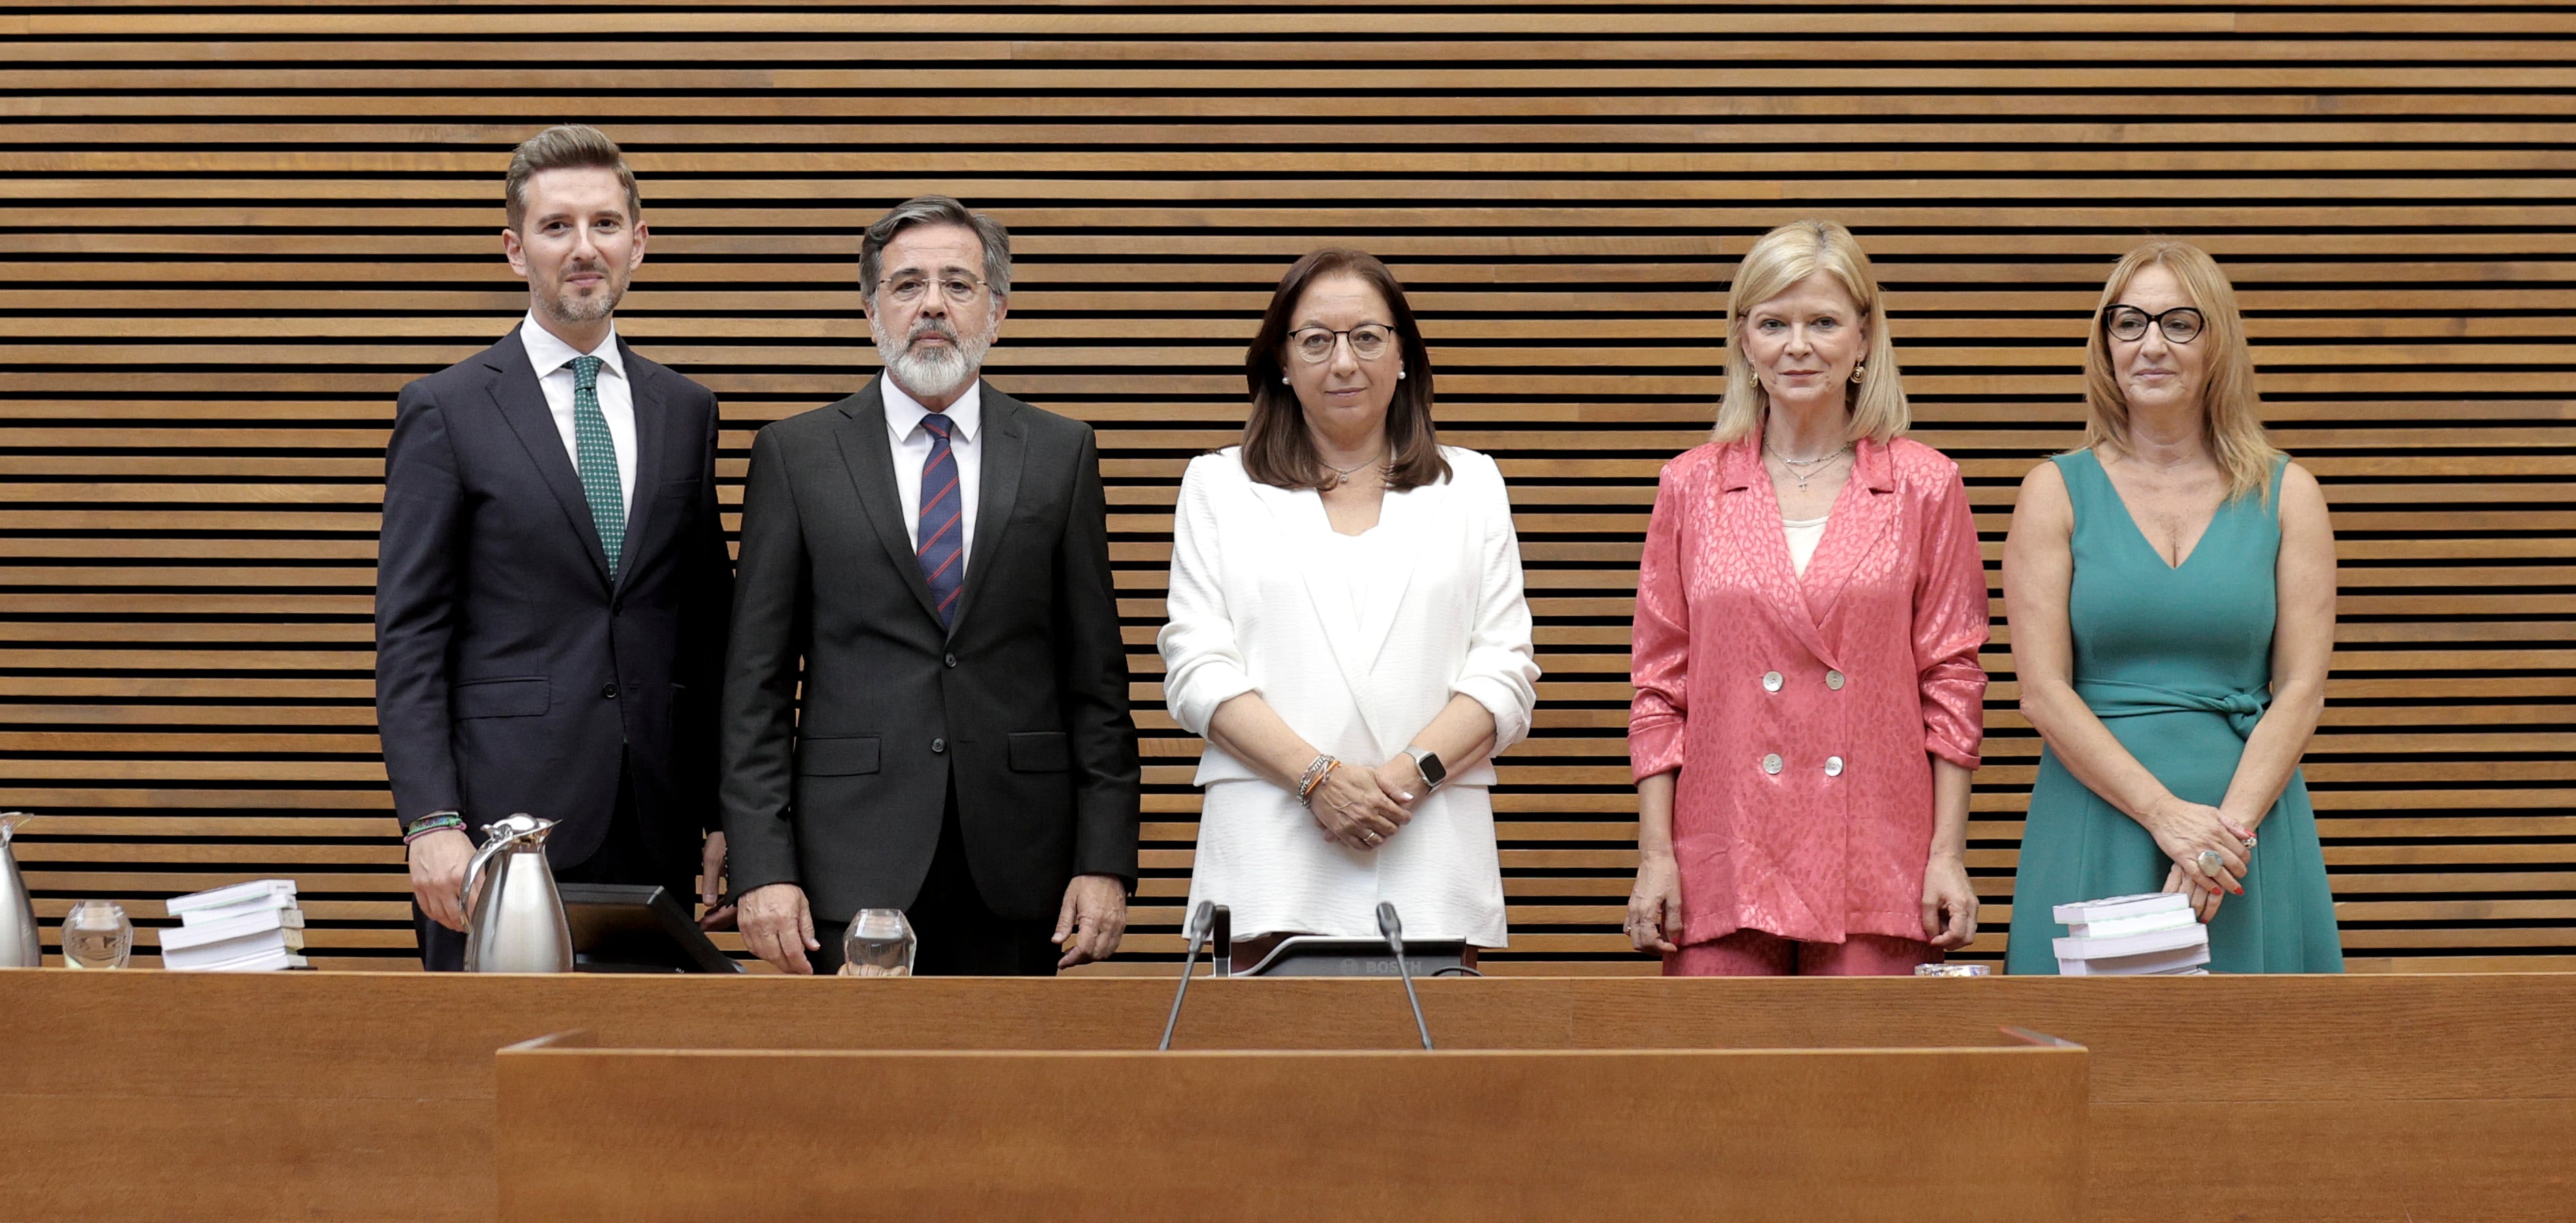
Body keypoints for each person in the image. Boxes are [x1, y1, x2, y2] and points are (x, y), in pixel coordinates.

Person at [722, 197, 1138, 973]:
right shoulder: (796, 454)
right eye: (907, 283)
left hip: (1026, 865)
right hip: (849, 858)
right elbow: (756, 687)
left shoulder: (1060, 451)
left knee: (1019, 1091)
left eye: (958, 283)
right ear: (871, 307)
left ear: (998, 308)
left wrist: (1104, 859)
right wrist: (763, 867)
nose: (933, 305)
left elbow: (1097, 682)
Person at [373, 124, 734, 969]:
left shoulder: (685, 410)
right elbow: (411, 636)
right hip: (500, 837)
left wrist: (725, 815)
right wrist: (430, 822)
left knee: (642, 1083)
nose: (584, 248)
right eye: (556, 226)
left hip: (657, 825)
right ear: (514, 248)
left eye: (605, 224)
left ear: (638, 243)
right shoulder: (448, 408)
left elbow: (707, 630)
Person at [1625, 220, 1989, 974]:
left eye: (1822, 321)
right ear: (1743, 340)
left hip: (1876, 855)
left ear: (1864, 338)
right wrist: (1656, 857)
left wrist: (1946, 854)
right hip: (1721, 855)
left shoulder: (1925, 483)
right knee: (1714, 1089)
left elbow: (1952, 682)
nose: (1798, 344)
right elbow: (1658, 689)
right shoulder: (1689, 484)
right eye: (1773, 322)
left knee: (1865, 1090)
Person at [1159, 250, 1538, 962]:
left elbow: (1503, 671)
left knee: (1436, 1072)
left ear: (1403, 356)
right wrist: (1319, 779)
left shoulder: (1472, 485)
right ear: (1280, 358)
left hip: (1428, 843)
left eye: (1367, 336)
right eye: (1316, 339)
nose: (1343, 362)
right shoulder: (1218, 486)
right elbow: (1197, 669)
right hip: (1272, 849)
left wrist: (1399, 780)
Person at [2001, 239, 2341, 973]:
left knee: (2259, 1066)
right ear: (2106, 346)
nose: (2150, 344)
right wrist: (2164, 816)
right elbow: (2042, 691)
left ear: (2216, 339)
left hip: (2244, 833)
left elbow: (2302, 690)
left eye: (2177, 322)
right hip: (2098, 815)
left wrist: (2224, 835)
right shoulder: (2052, 491)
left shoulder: (2290, 495)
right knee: (2081, 1065)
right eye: (2128, 323)